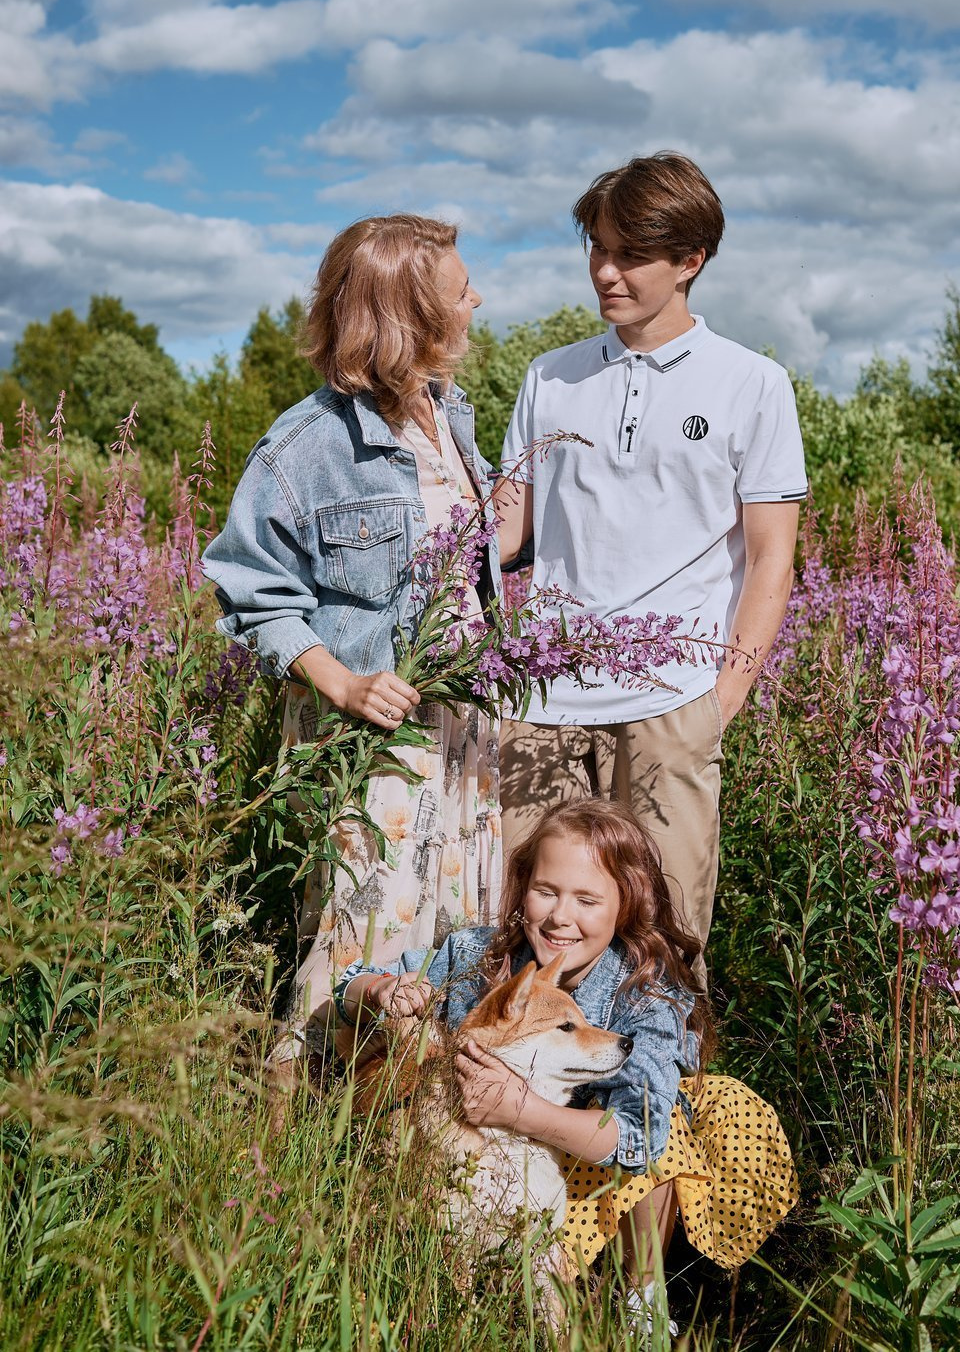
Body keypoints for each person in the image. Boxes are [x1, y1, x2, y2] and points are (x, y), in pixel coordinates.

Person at [202, 214, 504, 1066]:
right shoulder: (306, 447)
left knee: (453, 937)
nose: (476, 298)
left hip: (461, 727)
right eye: (459, 290)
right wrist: (342, 682)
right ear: (412, 313)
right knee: (361, 933)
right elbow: (251, 592)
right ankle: (297, 1127)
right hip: (368, 734)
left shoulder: (452, 417)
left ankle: (409, 1127)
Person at [495, 152, 806, 949]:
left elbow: (771, 559)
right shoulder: (549, 378)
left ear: (690, 260)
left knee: (663, 936)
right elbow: (503, 532)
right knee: (531, 932)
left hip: (673, 702)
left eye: (630, 254)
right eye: (597, 248)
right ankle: (528, 1079)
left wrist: (717, 702)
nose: (605, 271)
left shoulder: (751, 384)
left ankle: (666, 1079)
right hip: (542, 703)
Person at [334, 798, 798, 1321]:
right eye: (546, 892)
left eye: (587, 900)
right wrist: (382, 991)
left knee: (662, 1126)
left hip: (605, 1156)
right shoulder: (478, 956)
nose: (560, 917)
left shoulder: (647, 995)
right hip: (505, 1161)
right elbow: (350, 982)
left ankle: (640, 1299)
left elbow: (639, 1137)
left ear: (625, 905)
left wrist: (520, 1111)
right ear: (522, 887)